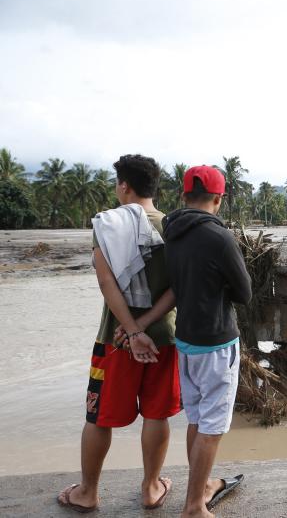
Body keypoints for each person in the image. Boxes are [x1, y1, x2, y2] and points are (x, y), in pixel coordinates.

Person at [58, 154, 180, 513]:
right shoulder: (173, 226)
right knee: (158, 415)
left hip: (115, 339)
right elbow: (177, 287)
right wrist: (145, 327)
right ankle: (151, 487)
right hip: (164, 339)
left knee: (100, 416)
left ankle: (89, 492)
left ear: (124, 186)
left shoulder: (108, 225)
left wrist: (129, 329)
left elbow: (105, 280)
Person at [162, 165, 252, 518]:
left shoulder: (172, 232)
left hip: (184, 341)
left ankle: (202, 488)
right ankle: (194, 507)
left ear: (185, 196)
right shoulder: (220, 238)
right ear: (218, 199)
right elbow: (244, 293)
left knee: (198, 422)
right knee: (212, 430)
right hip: (216, 344)